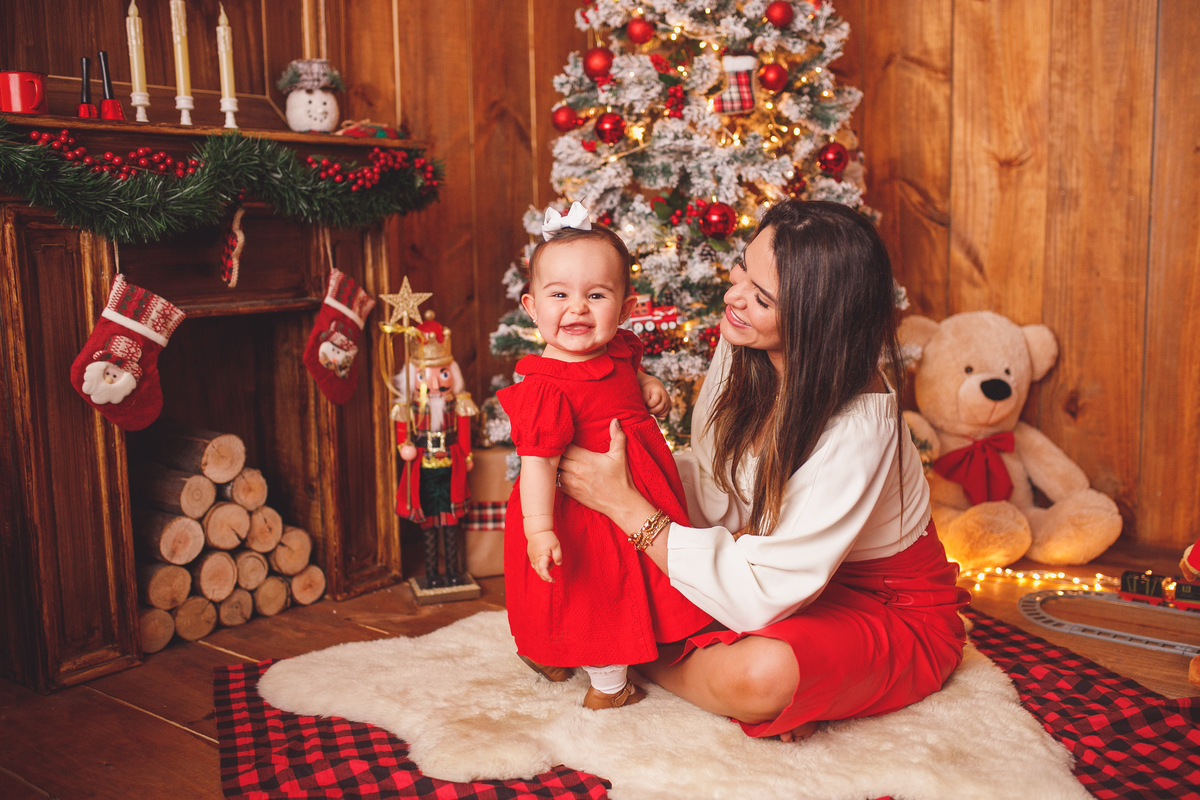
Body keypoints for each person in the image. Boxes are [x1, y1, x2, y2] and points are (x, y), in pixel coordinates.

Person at [557, 199, 971, 740]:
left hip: (883, 603)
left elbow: (760, 596)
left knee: (758, 678)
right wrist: (628, 476)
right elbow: (716, 481)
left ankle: (623, 652)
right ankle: (632, 639)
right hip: (772, 567)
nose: (733, 297)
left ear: (816, 321)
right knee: (610, 539)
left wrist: (628, 506)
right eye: (742, 268)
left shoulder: (861, 424)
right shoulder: (746, 340)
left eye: (761, 297)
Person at [497, 202, 712, 710]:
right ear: (531, 308)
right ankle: (609, 687)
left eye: (596, 295)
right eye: (559, 295)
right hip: (580, 512)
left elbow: (624, 379)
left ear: (626, 307)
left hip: (634, 491)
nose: (577, 309)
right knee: (600, 590)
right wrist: (539, 527)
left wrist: (649, 384)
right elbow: (537, 465)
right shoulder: (546, 387)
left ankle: (562, 652)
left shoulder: (616, 350)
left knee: (630, 584)